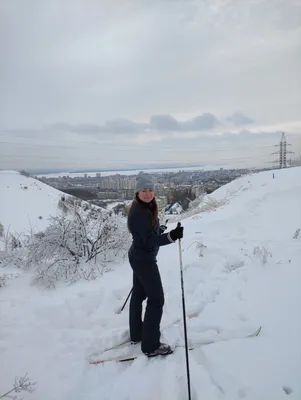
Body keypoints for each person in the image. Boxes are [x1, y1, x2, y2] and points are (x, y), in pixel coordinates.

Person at [127, 173, 184, 357]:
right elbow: (149, 240)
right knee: (156, 299)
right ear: (137, 192)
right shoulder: (139, 212)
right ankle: (151, 346)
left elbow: (145, 233)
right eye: (144, 190)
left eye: (150, 190)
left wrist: (158, 229)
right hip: (144, 260)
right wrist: (171, 236)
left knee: (138, 295)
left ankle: (136, 334)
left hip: (139, 256)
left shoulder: (146, 207)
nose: (148, 193)